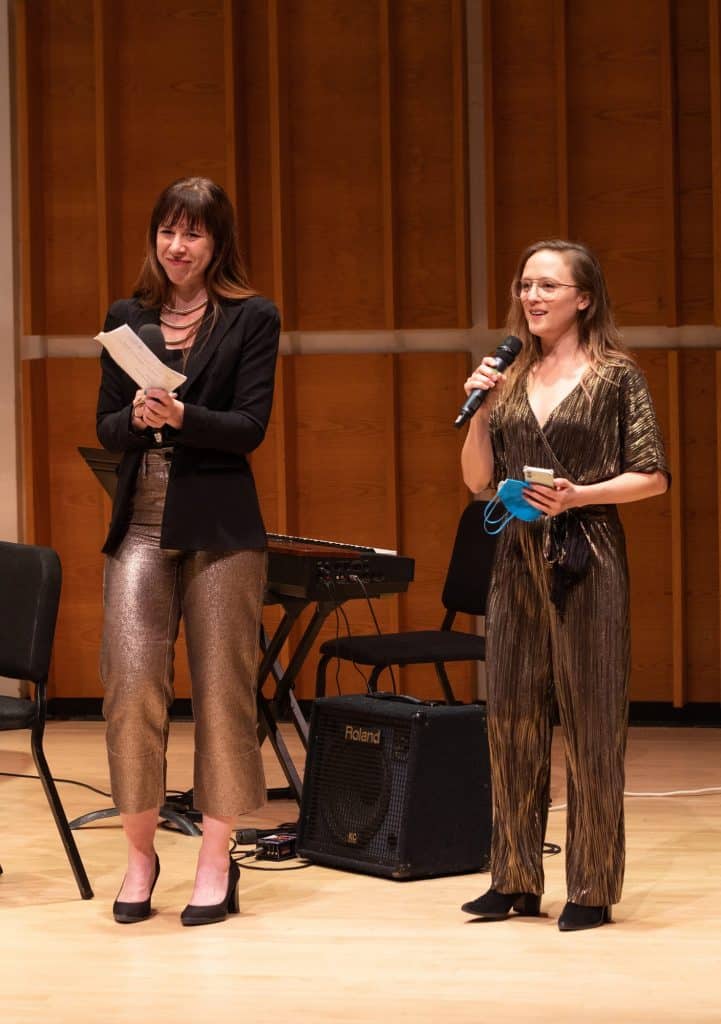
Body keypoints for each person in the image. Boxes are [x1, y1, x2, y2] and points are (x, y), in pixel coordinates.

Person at [459, 239, 668, 931]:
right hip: (516, 556)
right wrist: (481, 408)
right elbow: (475, 480)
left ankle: (590, 886)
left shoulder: (615, 376)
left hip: (588, 552)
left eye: (547, 286)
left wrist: (579, 497)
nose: (532, 298)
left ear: (583, 297)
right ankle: (514, 878)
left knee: (591, 722)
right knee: (512, 716)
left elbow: (653, 476)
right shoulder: (509, 374)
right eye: (524, 285)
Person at [96, 177, 280, 926]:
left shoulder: (251, 317)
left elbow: (248, 427)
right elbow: (106, 428)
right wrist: (139, 418)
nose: (178, 246)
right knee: (131, 680)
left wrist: (184, 414)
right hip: (140, 517)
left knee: (222, 692)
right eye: (169, 230)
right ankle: (140, 856)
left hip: (220, 523)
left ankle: (215, 861)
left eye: (194, 233)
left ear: (217, 244)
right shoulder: (126, 319)